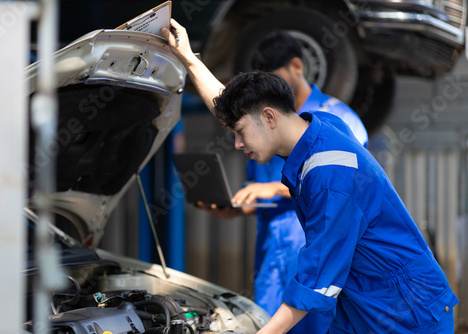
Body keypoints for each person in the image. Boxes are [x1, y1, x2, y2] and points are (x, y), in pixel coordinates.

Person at [161, 21, 459, 333]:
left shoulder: (332, 178)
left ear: (269, 117)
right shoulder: (316, 127)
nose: (237, 144)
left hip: (406, 315)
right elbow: (236, 111)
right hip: (363, 306)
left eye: (239, 133)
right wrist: (188, 58)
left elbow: (314, 285)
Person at [162, 22, 366, 333]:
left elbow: (339, 189)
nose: (238, 143)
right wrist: (238, 205)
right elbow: (229, 111)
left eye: (241, 133)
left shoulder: (335, 125)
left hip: (317, 255)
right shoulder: (267, 130)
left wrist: (269, 187)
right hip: (274, 253)